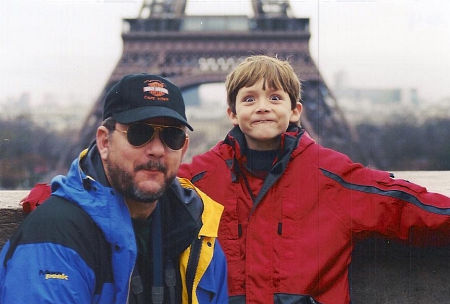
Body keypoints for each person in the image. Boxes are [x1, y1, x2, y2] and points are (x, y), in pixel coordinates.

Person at [176, 55, 450, 303]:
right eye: (249, 99)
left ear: (296, 110)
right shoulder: (198, 179)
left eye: (274, 98)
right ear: (232, 114)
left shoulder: (330, 174)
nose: (262, 107)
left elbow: (400, 204)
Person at [0, 74, 228, 304]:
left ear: (184, 147)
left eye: (173, 136)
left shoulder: (199, 232)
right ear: (104, 142)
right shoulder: (53, 236)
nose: (158, 150)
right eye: (140, 133)